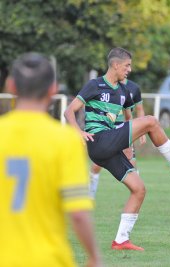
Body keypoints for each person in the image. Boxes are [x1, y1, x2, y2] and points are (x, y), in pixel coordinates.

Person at [64, 47, 170, 251]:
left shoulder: (123, 91)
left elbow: (129, 119)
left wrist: (128, 145)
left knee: (139, 189)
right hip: (99, 141)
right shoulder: (95, 85)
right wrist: (78, 131)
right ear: (115, 65)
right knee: (151, 121)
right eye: (127, 65)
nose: (129, 69)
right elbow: (69, 111)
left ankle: (121, 240)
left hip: (110, 146)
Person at [0, 53, 102, 266]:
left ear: (11, 86)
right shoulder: (65, 140)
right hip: (49, 259)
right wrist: (94, 256)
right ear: (53, 89)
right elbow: (78, 214)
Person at [89, 78, 146, 199]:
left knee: (133, 165)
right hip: (108, 130)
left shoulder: (134, 88)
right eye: (126, 65)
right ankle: (90, 196)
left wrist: (142, 131)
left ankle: (137, 195)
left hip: (124, 131)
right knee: (96, 166)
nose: (127, 69)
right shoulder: (104, 85)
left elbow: (139, 109)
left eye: (128, 65)